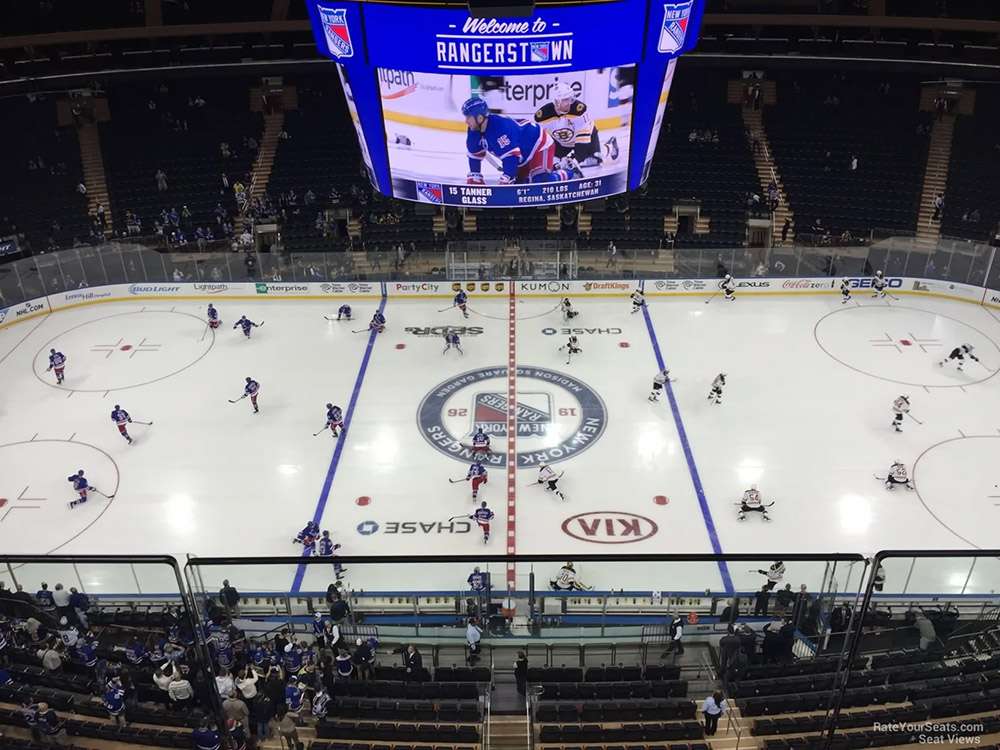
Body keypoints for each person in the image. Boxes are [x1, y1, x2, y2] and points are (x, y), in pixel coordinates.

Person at [462, 96, 578, 186]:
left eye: (468, 117)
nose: (466, 121)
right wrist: (476, 175)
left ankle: (570, 172)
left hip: (540, 144)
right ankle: (554, 166)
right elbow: (475, 154)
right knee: (522, 184)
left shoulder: (500, 128)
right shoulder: (473, 130)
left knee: (540, 182)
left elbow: (511, 158)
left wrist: (507, 177)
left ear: (480, 118)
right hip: (522, 154)